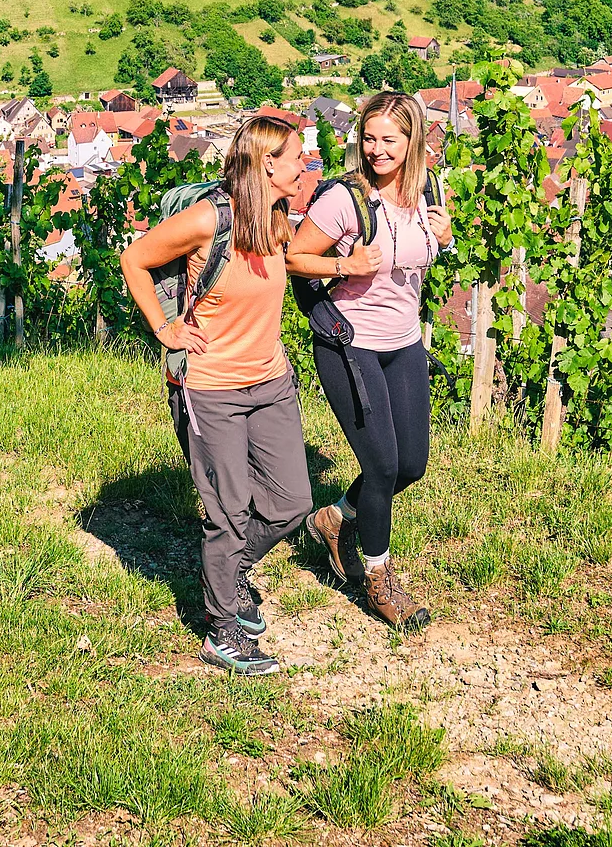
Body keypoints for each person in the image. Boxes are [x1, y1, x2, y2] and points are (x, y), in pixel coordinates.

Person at [121, 113, 310, 675]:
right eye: (299, 157)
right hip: (211, 387)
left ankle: (228, 574)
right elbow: (135, 258)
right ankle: (222, 627)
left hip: (271, 380)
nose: (307, 165)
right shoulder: (208, 218)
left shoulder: (278, 217)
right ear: (267, 163)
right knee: (227, 511)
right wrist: (164, 328)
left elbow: (299, 260)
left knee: (291, 501)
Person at [286, 90, 452, 630]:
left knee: (411, 465)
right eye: (370, 138)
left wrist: (443, 237)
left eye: (390, 140)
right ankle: (379, 581)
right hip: (348, 341)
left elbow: (419, 253)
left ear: (413, 142)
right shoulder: (344, 199)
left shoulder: (427, 188)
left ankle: (335, 518)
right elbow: (294, 256)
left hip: (403, 342)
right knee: (381, 466)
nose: (377, 150)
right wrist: (344, 264)